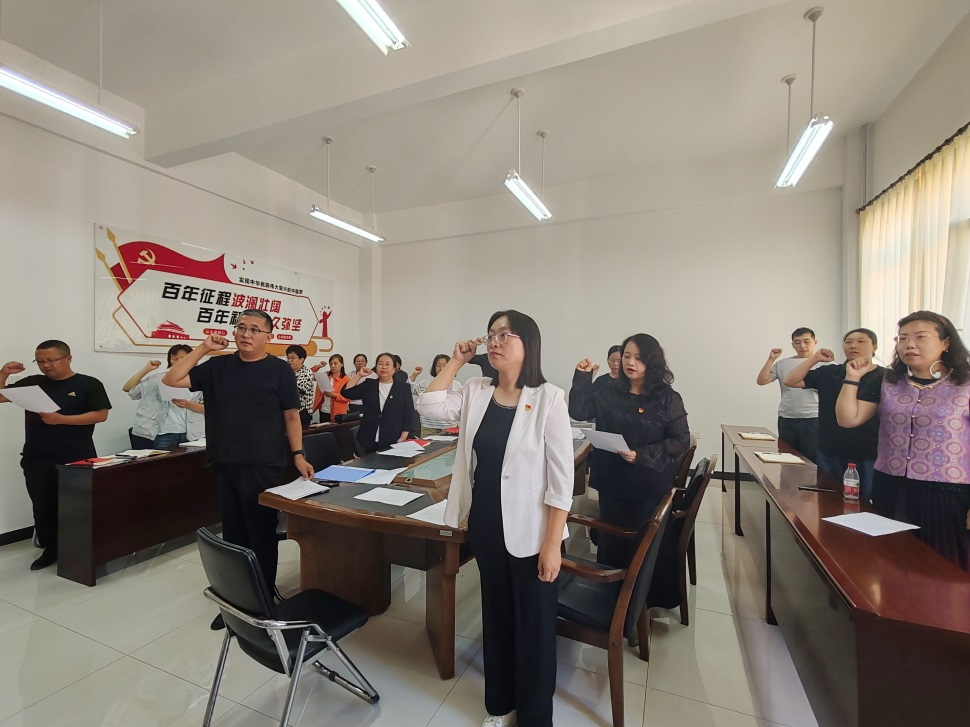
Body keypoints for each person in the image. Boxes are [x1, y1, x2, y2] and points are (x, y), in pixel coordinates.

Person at [417, 310, 573, 727]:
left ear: (528, 343)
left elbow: (562, 481)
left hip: (534, 532)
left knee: (535, 629)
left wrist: (552, 544)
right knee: (498, 618)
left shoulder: (549, 398)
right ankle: (500, 705)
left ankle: (535, 717)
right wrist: (456, 361)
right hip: (486, 525)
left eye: (505, 334)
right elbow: (429, 405)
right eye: (491, 335)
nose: (495, 341)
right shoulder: (476, 390)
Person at [163, 310, 314, 626]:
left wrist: (298, 455)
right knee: (233, 535)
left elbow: (291, 416)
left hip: (264, 463)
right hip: (225, 461)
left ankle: (263, 603)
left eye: (255, 329)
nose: (247, 334)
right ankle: (235, 602)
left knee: (261, 533)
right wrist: (203, 348)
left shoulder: (279, 370)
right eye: (241, 327)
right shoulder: (218, 366)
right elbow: (171, 379)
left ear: (268, 336)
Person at [836, 311, 970, 572]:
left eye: (921, 337)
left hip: (948, 493)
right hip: (890, 486)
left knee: (944, 567)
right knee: (891, 562)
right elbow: (848, 419)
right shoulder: (887, 381)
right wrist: (852, 378)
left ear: (945, 343)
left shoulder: (965, 384)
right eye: (903, 338)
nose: (910, 344)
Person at [569, 334, 690, 573]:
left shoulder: (667, 398)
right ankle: (613, 587)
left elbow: (681, 440)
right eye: (626, 356)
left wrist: (641, 455)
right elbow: (579, 411)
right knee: (613, 545)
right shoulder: (609, 390)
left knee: (643, 546)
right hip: (612, 482)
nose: (630, 362)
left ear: (652, 362)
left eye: (638, 358)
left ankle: (641, 590)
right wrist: (582, 378)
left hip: (648, 485)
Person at [1, 340, 111, 570]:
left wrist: (62, 420)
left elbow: (101, 415)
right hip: (37, 457)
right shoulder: (32, 383)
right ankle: (50, 549)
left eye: (51, 360)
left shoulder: (88, 384)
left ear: (68, 358)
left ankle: (80, 550)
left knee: (77, 506)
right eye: (40, 361)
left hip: (77, 457)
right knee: (43, 505)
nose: (46, 365)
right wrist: (3, 374)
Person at [783, 329, 883, 501]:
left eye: (861, 341)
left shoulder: (885, 376)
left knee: (867, 502)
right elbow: (790, 380)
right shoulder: (829, 372)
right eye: (848, 342)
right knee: (828, 501)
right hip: (830, 449)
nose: (853, 346)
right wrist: (814, 358)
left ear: (874, 347)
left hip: (869, 451)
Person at [756, 327, 822, 462]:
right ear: (792, 345)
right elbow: (762, 381)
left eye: (806, 341)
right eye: (797, 342)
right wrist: (771, 359)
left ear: (815, 342)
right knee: (787, 458)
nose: (802, 346)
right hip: (787, 417)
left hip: (814, 417)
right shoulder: (782, 364)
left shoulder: (825, 364)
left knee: (812, 460)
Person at [122, 344, 205, 449]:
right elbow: (128, 388)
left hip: (192, 434)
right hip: (164, 434)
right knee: (164, 459)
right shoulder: (159, 379)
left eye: (183, 358)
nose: (179, 362)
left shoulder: (200, 381)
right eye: (174, 358)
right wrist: (147, 369)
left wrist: (188, 405)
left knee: (193, 459)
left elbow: (210, 408)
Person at [341, 352, 415, 453]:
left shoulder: (403, 388)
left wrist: (403, 437)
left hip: (394, 438)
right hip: (369, 438)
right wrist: (359, 375)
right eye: (380, 364)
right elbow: (346, 392)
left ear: (394, 369)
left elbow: (409, 413)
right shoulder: (369, 385)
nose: (383, 367)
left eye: (387, 364)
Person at [410, 354, 462, 436]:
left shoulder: (457, 385)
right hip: (429, 428)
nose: (441, 368)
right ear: (434, 368)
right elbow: (408, 391)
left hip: (449, 428)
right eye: (438, 366)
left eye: (445, 366)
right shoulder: (425, 383)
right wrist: (414, 375)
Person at [312, 353, 350, 423]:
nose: (333, 366)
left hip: (338, 412)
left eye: (335, 364)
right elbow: (308, 375)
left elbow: (348, 398)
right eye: (331, 364)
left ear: (342, 364)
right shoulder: (325, 375)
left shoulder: (346, 379)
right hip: (324, 410)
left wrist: (334, 395)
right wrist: (318, 366)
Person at [285, 345, 315, 429]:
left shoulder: (307, 373)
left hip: (302, 412)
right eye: (288, 357)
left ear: (302, 359)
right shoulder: (286, 371)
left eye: (293, 358)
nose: (289, 360)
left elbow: (297, 391)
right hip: (288, 411)